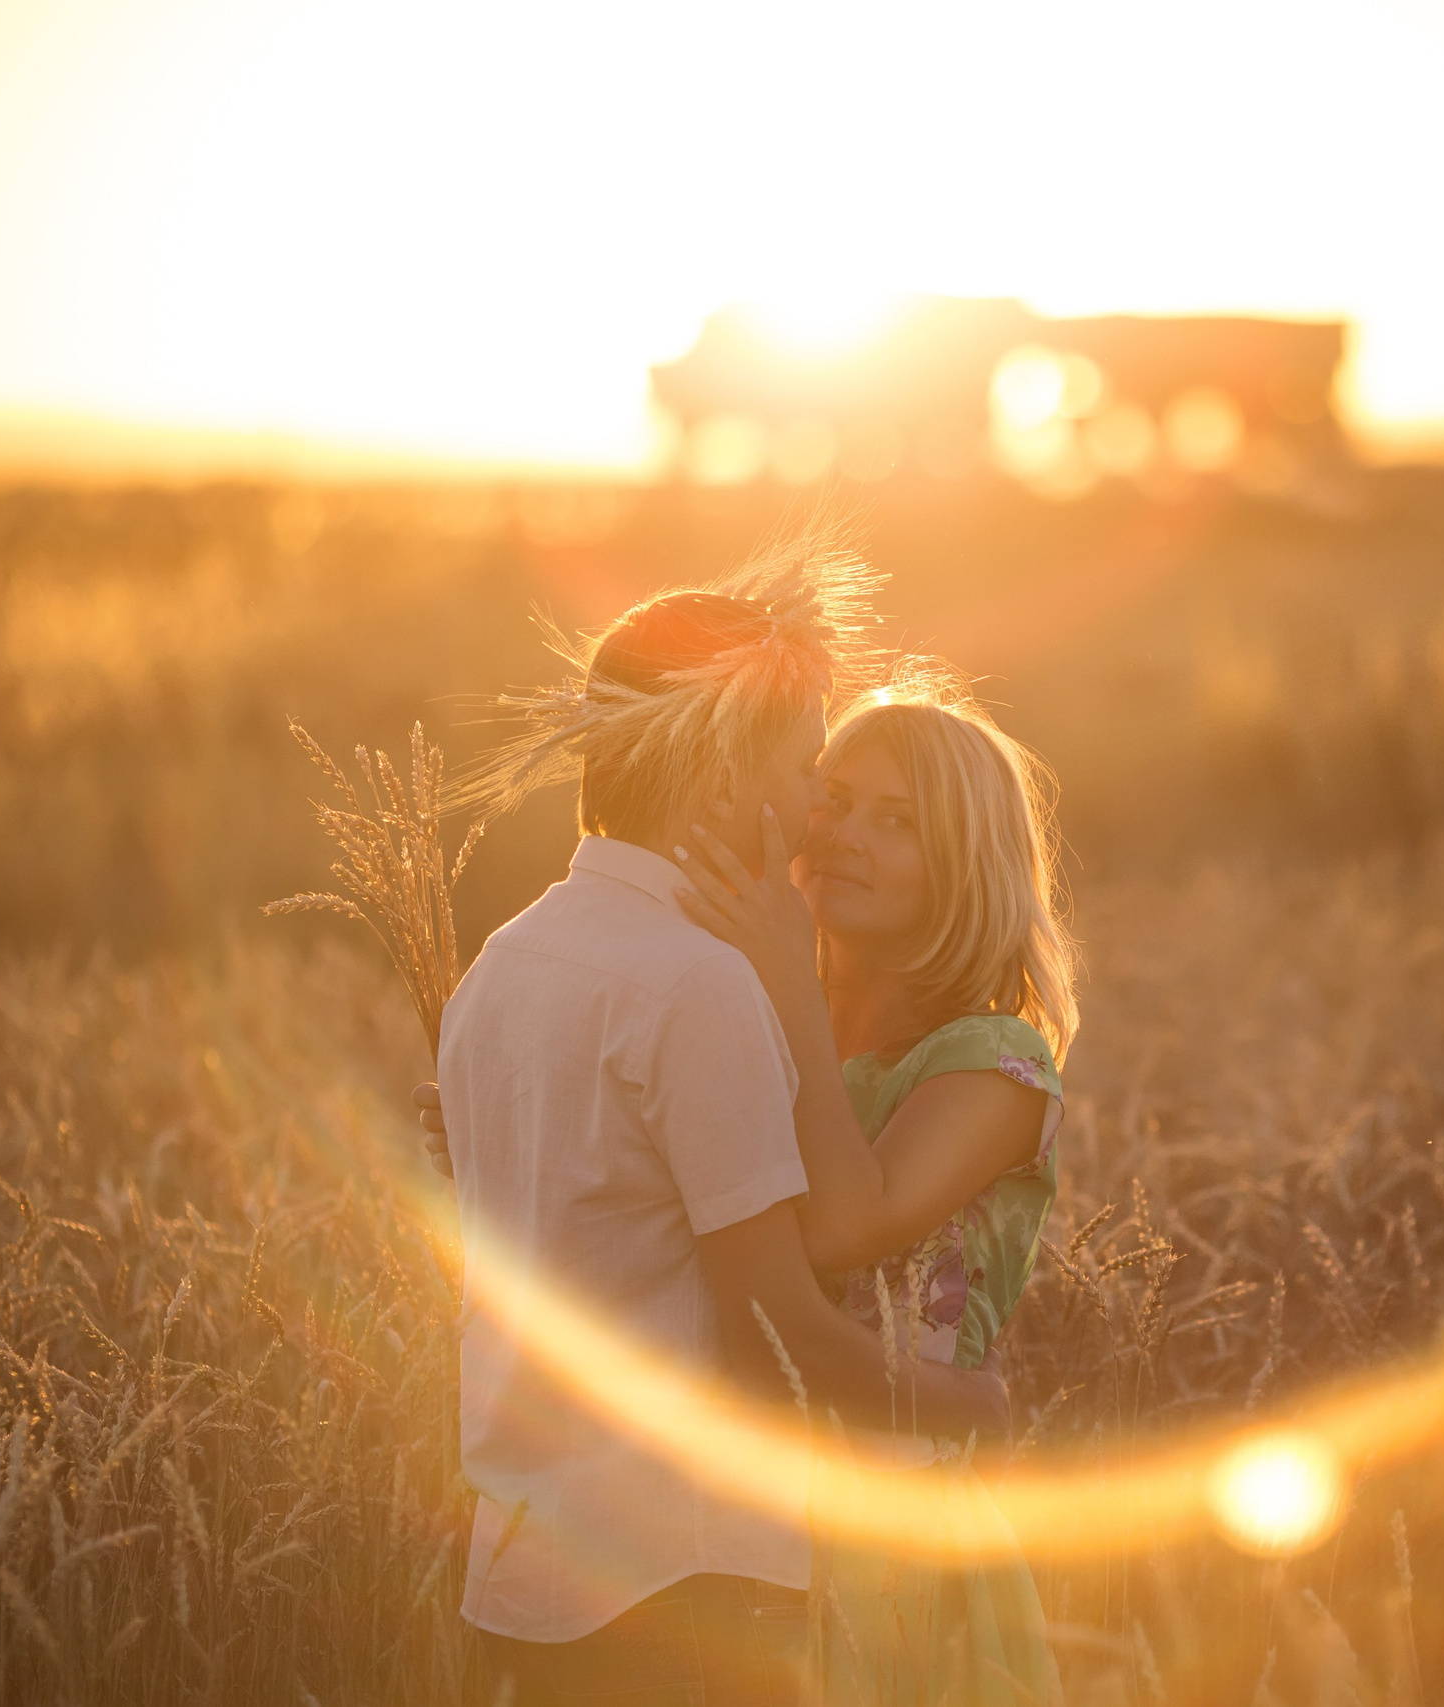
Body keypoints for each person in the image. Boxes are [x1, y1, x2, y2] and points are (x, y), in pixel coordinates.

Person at [423, 534, 1008, 1707]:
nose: (808, 819)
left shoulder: (503, 963)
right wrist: (962, 1410)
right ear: (722, 780)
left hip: (525, 1563)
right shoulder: (698, 989)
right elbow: (771, 1335)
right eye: (802, 775)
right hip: (679, 1576)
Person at [666, 681, 1078, 1707]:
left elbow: (848, 1224)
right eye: (835, 798)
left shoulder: (992, 1064)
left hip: (893, 1539)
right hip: (718, 1518)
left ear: (962, 869)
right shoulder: (748, 1026)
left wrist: (786, 987)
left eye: (898, 823)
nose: (847, 835)